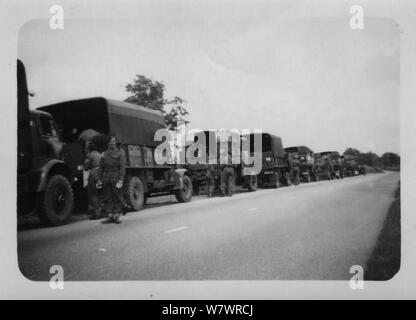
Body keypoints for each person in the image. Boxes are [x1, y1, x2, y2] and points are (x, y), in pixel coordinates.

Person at [97, 135, 126, 224]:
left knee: (117, 196)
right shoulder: (104, 154)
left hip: (116, 177)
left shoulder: (120, 153)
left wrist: (121, 179)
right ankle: (110, 216)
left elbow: (122, 167)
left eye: (114, 141)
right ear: (108, 143)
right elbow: (101, 167)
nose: (112, 143)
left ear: (116, 142)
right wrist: (99, 179)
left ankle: (116, 215)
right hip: (106, 177)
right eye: (111, 141)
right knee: (107, 197)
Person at [84, 142, 103, 219]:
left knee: (93, 192)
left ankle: (97, 213)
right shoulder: (100, 154)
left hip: (94, 173)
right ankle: (105, 211)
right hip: (102, 174)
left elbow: (86, 167)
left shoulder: (90, 155)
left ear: (89, 149)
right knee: (101, 191)